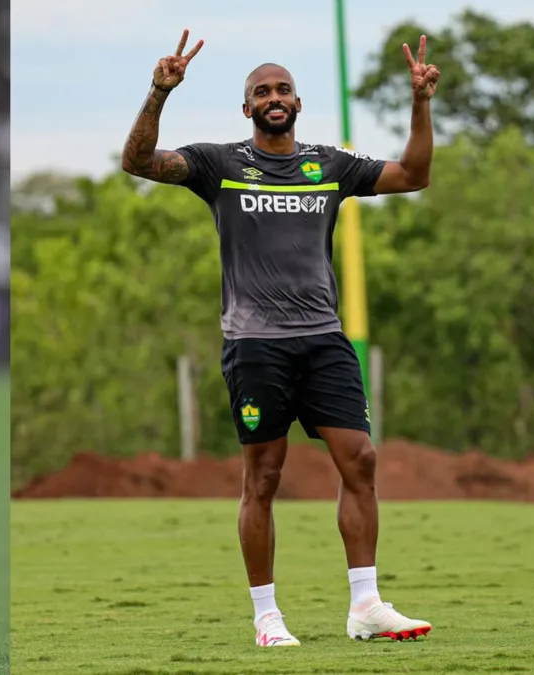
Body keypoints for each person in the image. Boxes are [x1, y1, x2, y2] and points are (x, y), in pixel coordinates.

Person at [120, 30, 440, 647]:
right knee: (263, 478)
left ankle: (366, 605)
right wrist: (158, 93)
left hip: (324, 340)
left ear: (298, 102)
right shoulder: (219, 165)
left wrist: (420, 103)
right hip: (255, 344)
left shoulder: (331, 164)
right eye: (262, 91)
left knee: (363, 460)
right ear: (247, 108)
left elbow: (415, 175)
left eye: (283, 88)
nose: (274, 96)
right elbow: (137, 162)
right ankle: (267, 616)